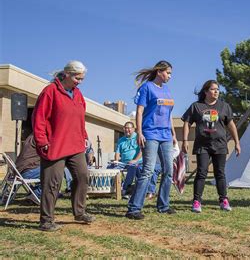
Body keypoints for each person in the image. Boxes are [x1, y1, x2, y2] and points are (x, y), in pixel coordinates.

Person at [33, 60, 95, 231]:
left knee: (82, 177)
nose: (79, 81)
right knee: (52, 183)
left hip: (75, 145)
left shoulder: (78, 94)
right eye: (77, 78)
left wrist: (85, 137)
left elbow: (80, 120)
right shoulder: (50, 91)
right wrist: (42, 141)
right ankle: (46, 220)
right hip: (55, 145)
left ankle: (79, 212)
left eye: (82, 79)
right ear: (67, 74)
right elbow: (39, 119)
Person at [126, 60, 178, 220]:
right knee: (148, 170)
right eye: (168, 72)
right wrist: (139, 132)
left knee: (169, 171)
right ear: (159, 71)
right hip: (150, 134)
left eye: (170, 73)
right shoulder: (147, 87)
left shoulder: (167, 90)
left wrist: (173, 133)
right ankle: (134, 208)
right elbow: (140, 111)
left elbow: (168, 115)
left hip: (166, 136)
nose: (170, 76)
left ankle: (163, 205)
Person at [181, 80, 241, 213]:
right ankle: (197, 201)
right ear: (206, 92)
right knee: (201, 172)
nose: (216, 92)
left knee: (220, 173)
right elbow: (187, 123)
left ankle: (223, 200)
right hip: (203, 145)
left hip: (220, 144)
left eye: (218, 89)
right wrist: (185, 140)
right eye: (213, 89)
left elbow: (231, 125)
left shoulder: (224, 106)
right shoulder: (196, 106)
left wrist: (237, 142)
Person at [108, 121, 160, 199]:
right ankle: (109, 189)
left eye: (129, 128)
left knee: (132, 167)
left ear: (133, 129)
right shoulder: (121, 140)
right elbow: (117, 152)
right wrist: (116, 161)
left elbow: (141, 151)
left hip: (137, 162)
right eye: (125, 128)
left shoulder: (138, 137)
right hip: (123, 163)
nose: (127, 130)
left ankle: (125, 189)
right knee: (109, 167)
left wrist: (135, 160)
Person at [8, 133, 41, 205]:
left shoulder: (31, 136)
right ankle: (34, 196)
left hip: (20, 171)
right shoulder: (40, 138)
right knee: (51, 174)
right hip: (26, 171)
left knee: (48, 173)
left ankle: (33, 195)